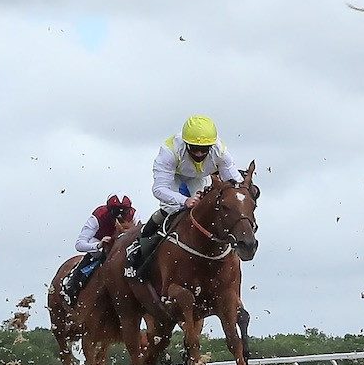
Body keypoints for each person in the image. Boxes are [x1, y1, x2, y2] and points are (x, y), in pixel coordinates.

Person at [124, 116, 242, 279]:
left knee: (206, 209)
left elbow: (234, 182)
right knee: (171, 208)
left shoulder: (220, 151)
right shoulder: (169, 152)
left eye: (204, 149)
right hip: (174, 176)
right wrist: (184, 200)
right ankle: (139, 245)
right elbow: (159, 189)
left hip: (198, 177)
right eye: (194, 148)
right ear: (186, 143)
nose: (199, 153)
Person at [64, 194, 135, 305]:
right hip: (100, 243)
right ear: (109, 210)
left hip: (123, 244)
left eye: (124, 212)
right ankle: (72, 285)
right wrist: (98, 245)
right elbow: (79, 244)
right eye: (115, 212)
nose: (120, 217)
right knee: (97, 253)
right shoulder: (98, 216)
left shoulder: (135, 215)